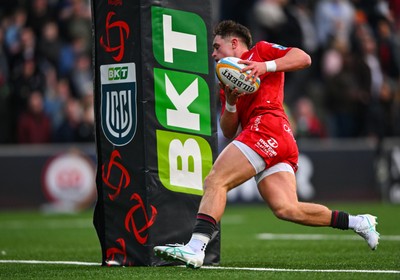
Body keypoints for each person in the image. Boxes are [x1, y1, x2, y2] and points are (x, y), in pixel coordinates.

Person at [153, 20, 380, 269]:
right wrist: (230, 102)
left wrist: (265, 66)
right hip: (276, 136)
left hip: (268, 125)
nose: (213, 53)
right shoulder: (226, 78)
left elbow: (304, 58)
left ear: (234, 43)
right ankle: (359, 222)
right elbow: (228, 130)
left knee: (216, 180)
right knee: (287, 208)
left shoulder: (260, 51)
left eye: (217, 46)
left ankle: (195, 248)